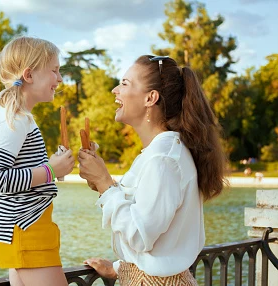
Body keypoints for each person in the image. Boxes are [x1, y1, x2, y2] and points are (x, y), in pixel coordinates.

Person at [77, 55, 226, 285]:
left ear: (150, 98)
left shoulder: (163, 160)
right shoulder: (160, 153)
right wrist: (121, 267)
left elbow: (140, 234)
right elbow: (156, 231)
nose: (115, 90)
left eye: (125, 83)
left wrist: (106, 183)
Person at [0, 36, 75, 286]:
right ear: (29, 75)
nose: (60, 79)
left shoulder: (19, 118)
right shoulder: (14, 120)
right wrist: (50, 170)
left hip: (27, 227)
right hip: (25, 228)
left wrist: (55, 166)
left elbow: (25, 170)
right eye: (54, 70)